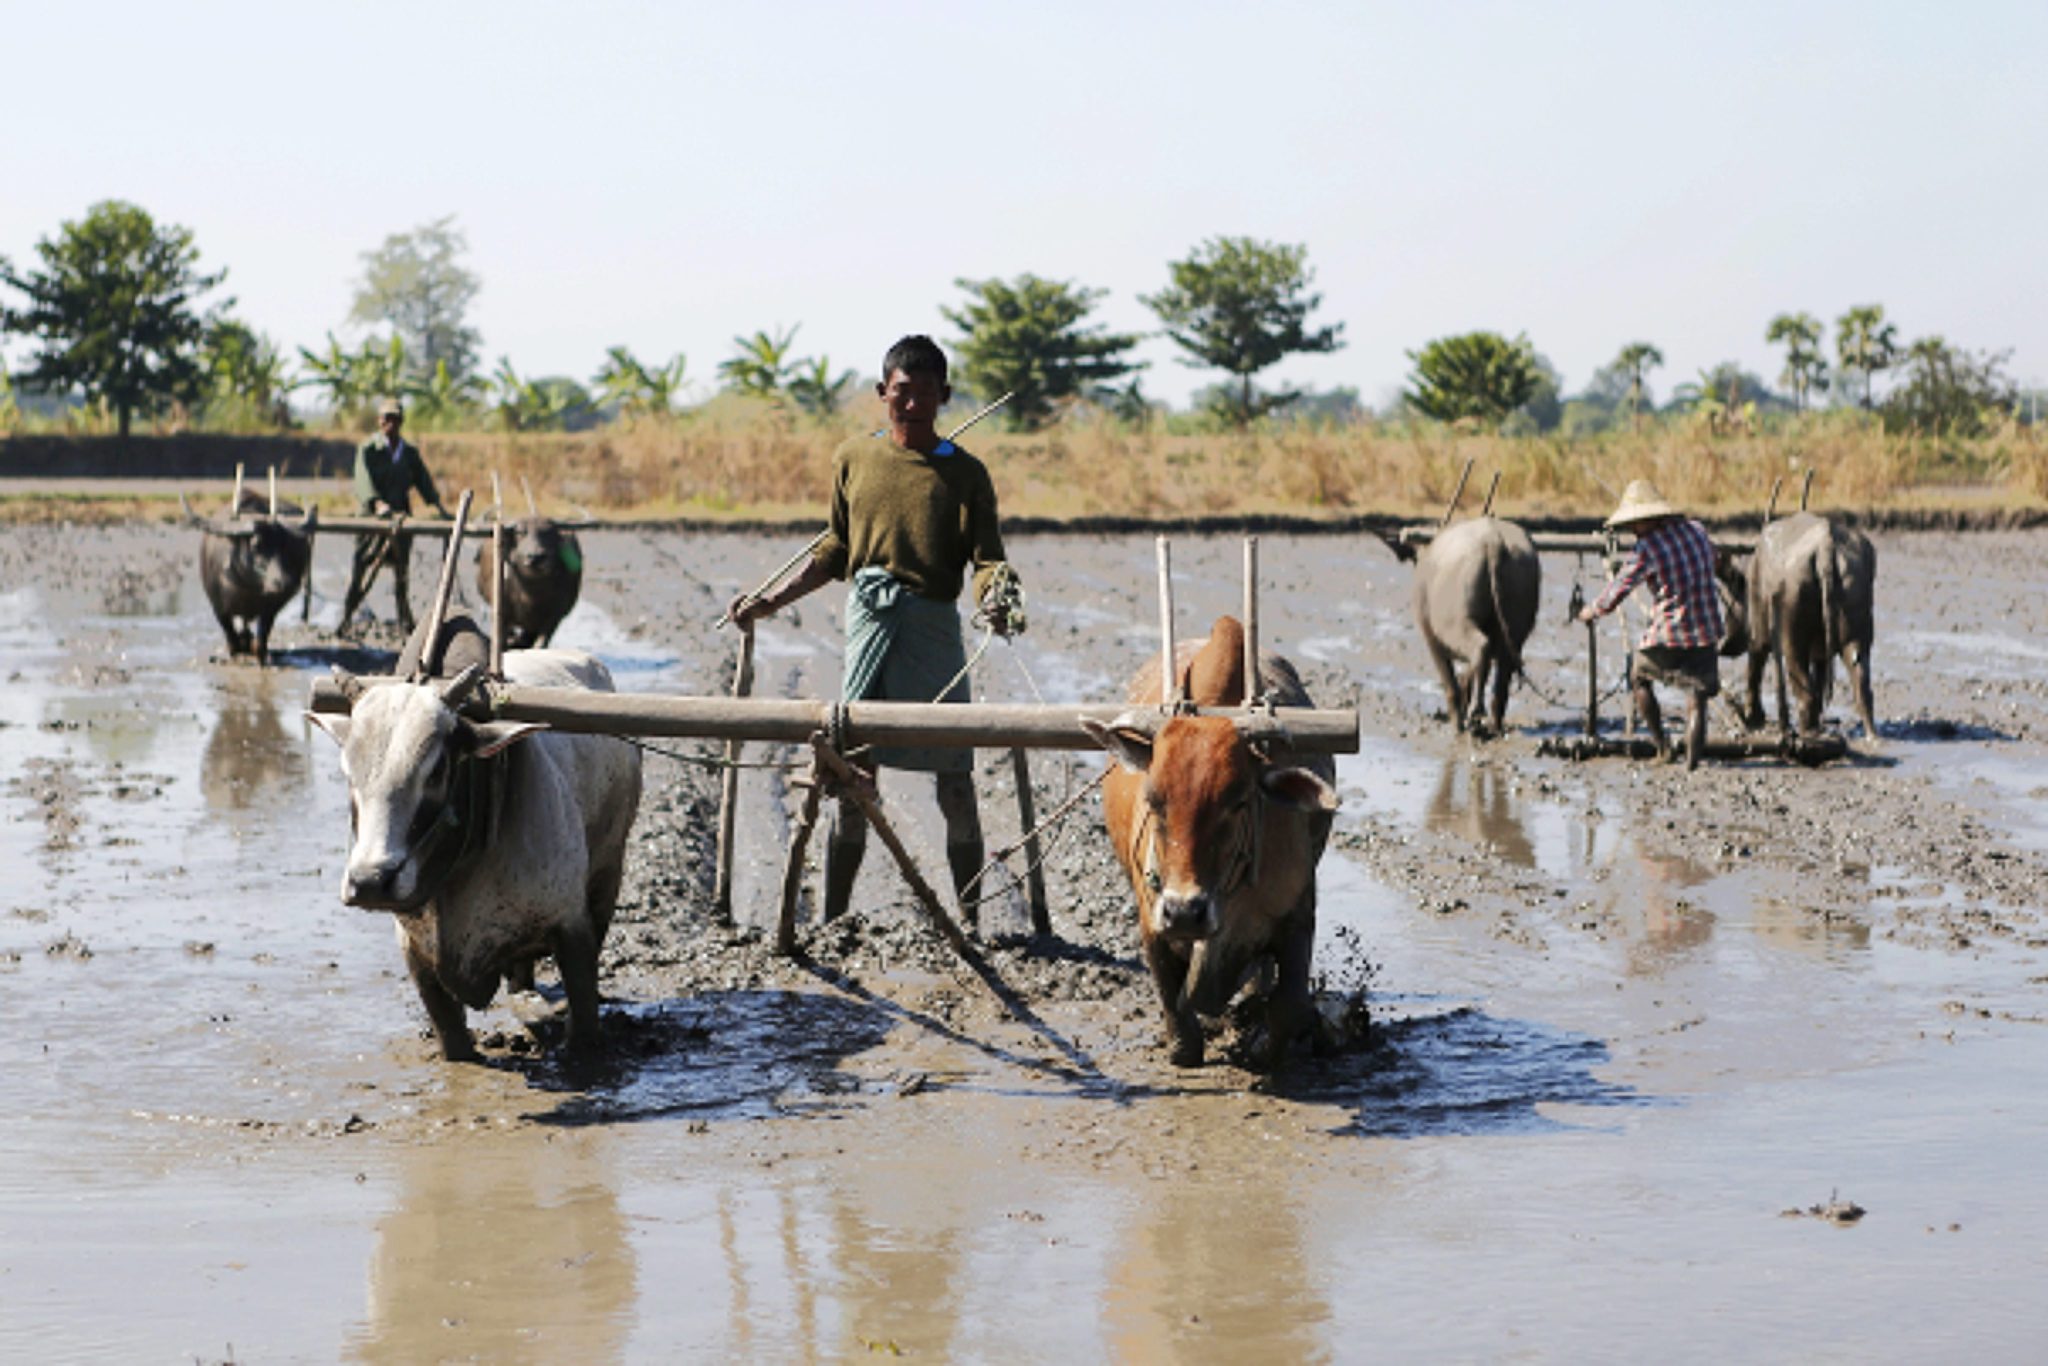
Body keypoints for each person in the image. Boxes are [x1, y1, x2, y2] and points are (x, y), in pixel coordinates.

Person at [727, 335, 1019, 929]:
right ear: (882, 392)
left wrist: (995, 598)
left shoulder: (966, 474)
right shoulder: (853, 459)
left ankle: (971, 921)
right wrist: (771, 601)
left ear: (945, 396)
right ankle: (836, 923)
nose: (910, 405)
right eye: (900, 392)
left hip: (933, 635)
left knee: (956, 784)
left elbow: (988, 557)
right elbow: (836, 548)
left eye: (924, 394)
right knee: (849, 778)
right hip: (869, 629)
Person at [1577, 479, 1725, 770]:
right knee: (1698, 694)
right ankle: (1692, 764)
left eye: (1636, 523)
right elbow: (1716, 560)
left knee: (1638, 677)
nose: (1633, 529)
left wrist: (1592, 611)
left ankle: (1663, 748)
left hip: (1671, 631)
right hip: (1707, 627)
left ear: (1651, 518)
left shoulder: (1648, 547)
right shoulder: (1697, 530)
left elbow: (1619, 588)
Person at [340, 397, 449, 633]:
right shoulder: (368, 449)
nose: (390, 424)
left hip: (401, 519)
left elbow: (423, 481)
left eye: (395, 419)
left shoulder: (408, 452)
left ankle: (404, 619)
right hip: (371, 520)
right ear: (379, 421)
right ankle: (347, 616)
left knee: (401, 572)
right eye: (386, 418)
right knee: (360, 568)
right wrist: (376, 504)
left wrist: (437, 506)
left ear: (401, 422)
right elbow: (362, 481)